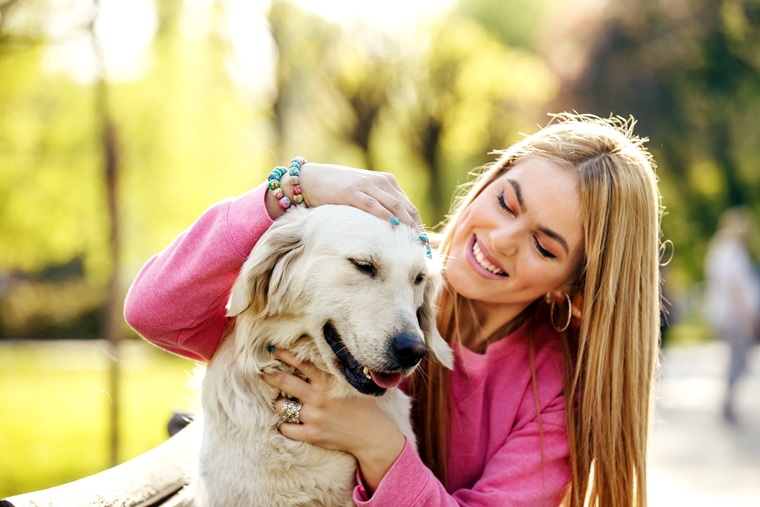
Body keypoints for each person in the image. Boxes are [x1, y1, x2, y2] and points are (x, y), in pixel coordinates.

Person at [124, 113, 662, 507]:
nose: (500, 240)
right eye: (506, 201)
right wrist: (293, 188)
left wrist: (377, 444)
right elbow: (155, 312)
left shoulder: (556, 392)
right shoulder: (367, 255)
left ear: (576, 286)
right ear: (489, 180)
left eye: (545, 247)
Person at [704, 207, 759, 424]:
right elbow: (735, 289)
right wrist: (747, 319)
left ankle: (729, 402)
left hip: (730, 315)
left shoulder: (723, 250)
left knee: (739, 360)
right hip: (735, 316)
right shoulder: (732, 252)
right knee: (740, 361)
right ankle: (728, 403)